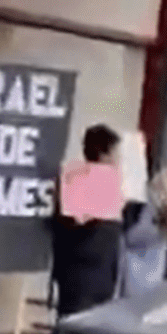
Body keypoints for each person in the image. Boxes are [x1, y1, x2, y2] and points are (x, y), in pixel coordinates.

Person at [50, 123, 123, 318]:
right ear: (104, 154)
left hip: (97, 275)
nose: (118, 160)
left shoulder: (109, 185)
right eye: (115, 154)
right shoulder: (77, 179)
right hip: (83, 274)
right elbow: (69, 224)